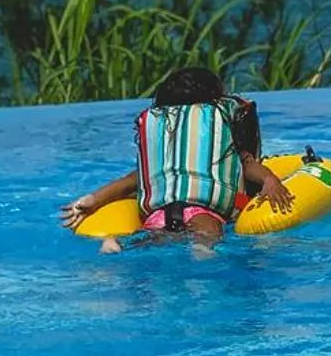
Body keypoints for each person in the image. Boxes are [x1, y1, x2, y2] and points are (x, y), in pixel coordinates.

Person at [60, 67, 294, 252]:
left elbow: (130, 181)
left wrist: (93, 200)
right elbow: (248, 166)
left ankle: (116, 244)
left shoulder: (167, 154)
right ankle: (203, 250)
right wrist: (270, 181)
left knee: (154, 240)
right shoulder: (219, 142)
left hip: (158, 215)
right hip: (204, 213)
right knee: (208, 233)